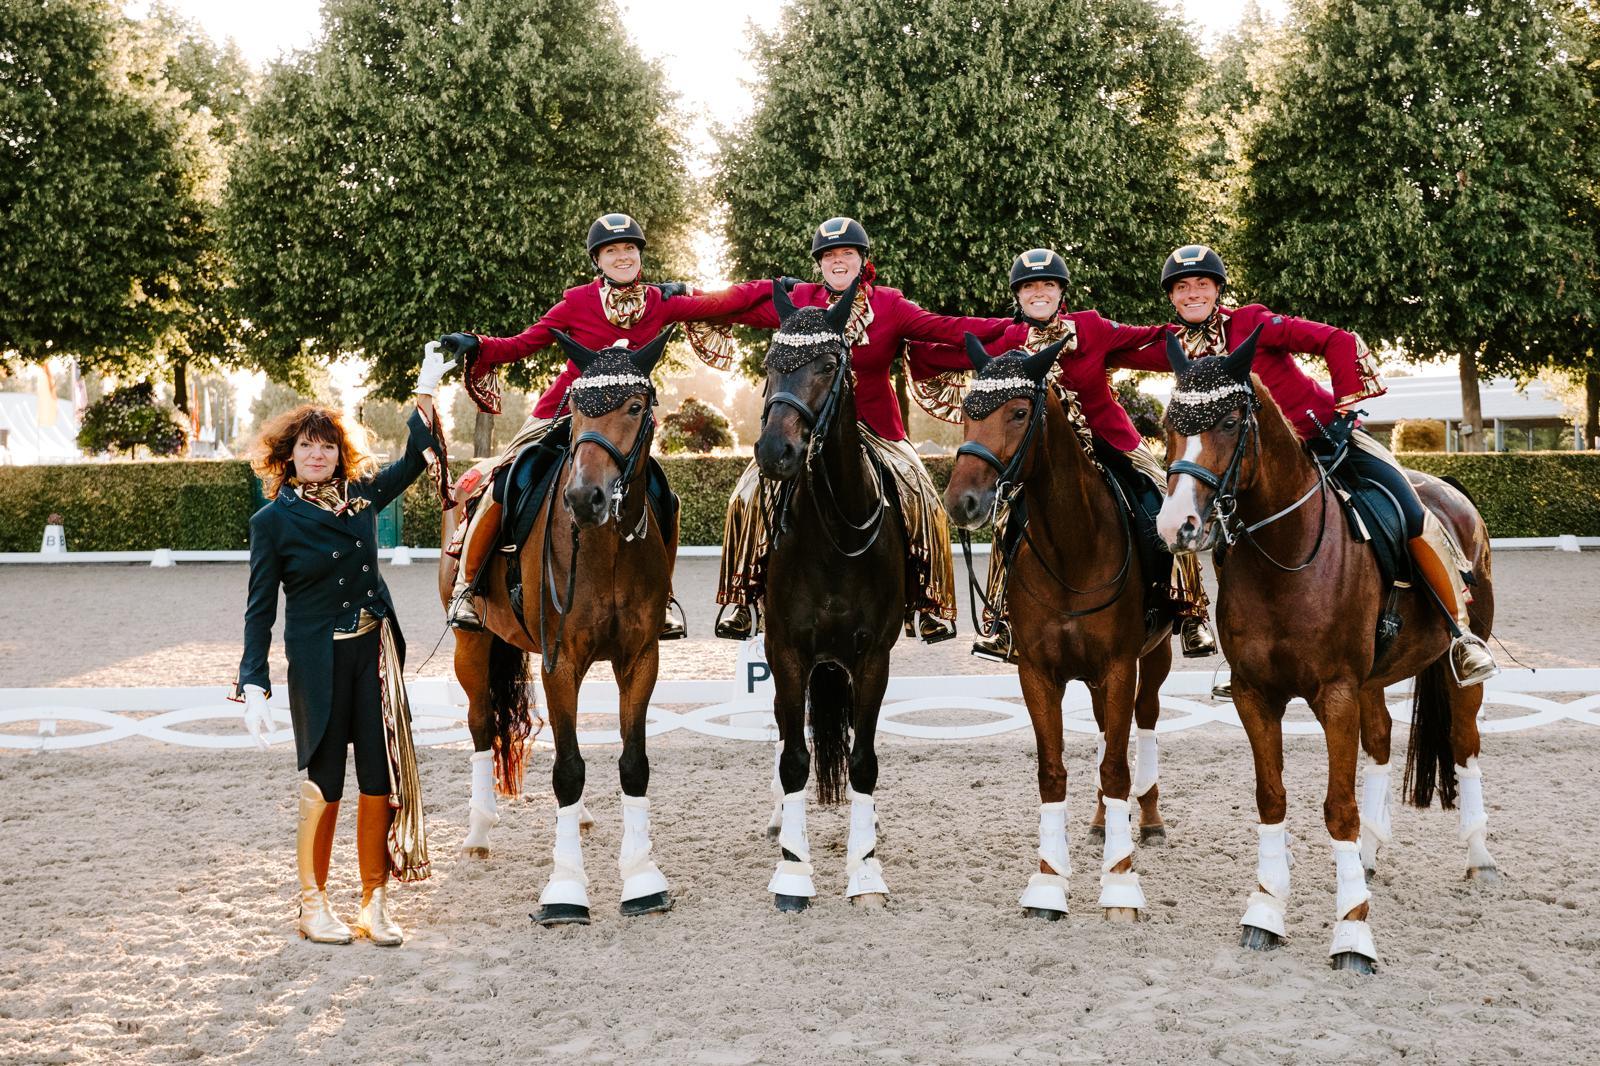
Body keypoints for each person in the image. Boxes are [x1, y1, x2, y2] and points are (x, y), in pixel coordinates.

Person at [1156, 243, 1497, 686]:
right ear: (1172, 297)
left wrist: (1344, 410)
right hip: (1260, 464)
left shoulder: (1254, 322)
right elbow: (1118, 347)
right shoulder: (1176, 346)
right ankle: (1244, 653)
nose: (1193, 293)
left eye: (1202, 283)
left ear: (1217, 289)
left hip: (1326, 437)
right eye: (1182, 287)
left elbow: (1336, 340)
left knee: (1409, 509)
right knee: (1226, 538)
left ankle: (1459, 631)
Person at [437, 212, 766, 633]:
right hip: (563, 411)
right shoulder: (576, 303)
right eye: (612, 250)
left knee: (664, 497)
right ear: (598, 260)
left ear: (640, 255)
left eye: (629, 248)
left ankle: (663, 596)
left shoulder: (660, 303)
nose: (622, 256)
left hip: (623, 423)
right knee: (503, 482)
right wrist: (478, 343)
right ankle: (467, 586)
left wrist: (778, 290)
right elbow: (523, 344)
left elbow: (726, 302)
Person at [234, 344, 455, 945]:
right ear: (288, 455)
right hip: (319, 662)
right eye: (307, 446)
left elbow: (415, 456)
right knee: (325, 780)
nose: (318, 455)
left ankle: (375, 901)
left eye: (327, 446)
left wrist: (427, 387)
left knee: (378, 778)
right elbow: (260, 607)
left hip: (373, 658)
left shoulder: (362, 496)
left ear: (340, 453)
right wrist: (252, 680)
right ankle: (313, 903)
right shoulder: (271, 523)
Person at [710, 216, 1011, 643]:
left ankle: (928, 603)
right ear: (819, 263)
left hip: (876, 427)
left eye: (846, 253)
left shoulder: (890, 305)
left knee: (923, 497)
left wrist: (1018, 331)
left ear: (862, 259)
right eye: (829, 255)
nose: (838, 261)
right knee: (745, 495)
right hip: (809, 425)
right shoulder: (801, 301)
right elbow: (740, 306)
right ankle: (743, 599)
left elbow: (945, 328)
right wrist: (684, 298)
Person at [909, 247, 1217, 662]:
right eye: (1029, 287)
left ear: (1061, 292)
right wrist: (905, 342)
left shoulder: (1091, 327)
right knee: (1005, 522)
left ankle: (1190, 611)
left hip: (1110, 440)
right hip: (1041, 452)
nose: (1039, 293)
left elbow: (1150, 337)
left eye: (1048, 285)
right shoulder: (1006, 341)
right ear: (1018, 296)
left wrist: (1201, 323)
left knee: (1161, 500)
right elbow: (940, 355)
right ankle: (1002, 620)